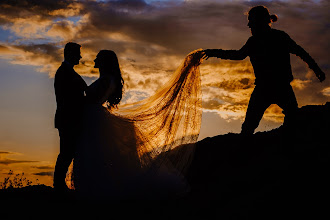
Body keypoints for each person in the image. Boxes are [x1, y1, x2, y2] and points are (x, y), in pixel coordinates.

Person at [73, 49, 204, 200]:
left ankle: (95, 193)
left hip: (93, 117)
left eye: (98, 58)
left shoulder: (106, 80)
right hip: (94, 116)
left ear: (104, 61)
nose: (95, 60)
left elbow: (92, 99)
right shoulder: (109, 79)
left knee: (92, 154)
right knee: (95, 154)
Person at [203, 5, 325, 135]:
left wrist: (316, 69)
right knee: (253, 127)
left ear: (259, 21)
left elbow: (300, 52)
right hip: (271, 88)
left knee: (251, 129)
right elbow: (301, 52)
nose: (248, 25)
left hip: (272, 89)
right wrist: (212, 52)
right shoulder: (263, 40)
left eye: (250, 21)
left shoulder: (273, 38)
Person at [54, 42, 87, 191]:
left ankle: (59, 185)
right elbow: (68, 97)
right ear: (70, 54)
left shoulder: (69, 72)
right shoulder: (64, 72)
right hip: (68, 119)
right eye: (78, 54)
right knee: (66, 152)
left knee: (69, 152)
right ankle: (59, 185)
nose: (80, 57)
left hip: (71, 118)